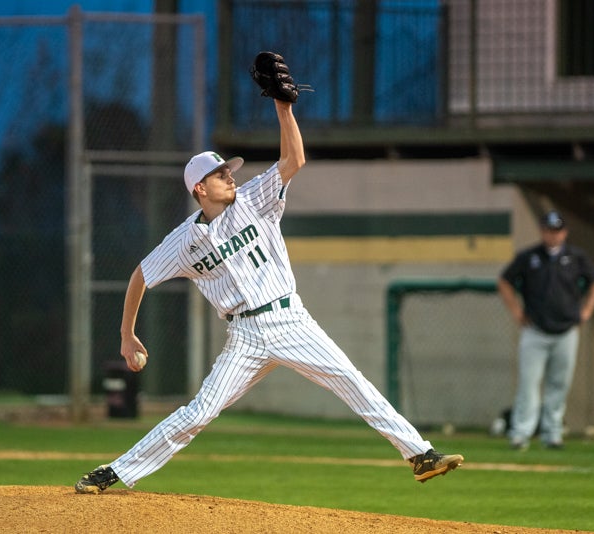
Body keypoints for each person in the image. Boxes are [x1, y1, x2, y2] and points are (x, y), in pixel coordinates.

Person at [74, 86, 463, 495]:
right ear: (199, 190)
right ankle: (115, 471)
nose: (230, 175)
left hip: (290, 319)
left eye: (229, 170)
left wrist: (284, 108)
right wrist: (126, 333)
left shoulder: (252, 199)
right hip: (244, 336)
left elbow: (294, 159)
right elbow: (140, 274)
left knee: (351, 380)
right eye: (220, 173)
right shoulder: (184, 240)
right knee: (199, 412)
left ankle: (420, 455)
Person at [497, 211, 594, 450]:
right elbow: (504, 281)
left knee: (559, 384)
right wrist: (516, 311)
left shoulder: (576, 257)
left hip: (565, 330)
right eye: (548, 230)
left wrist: (586, 311)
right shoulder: (529, 257)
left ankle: (552, 434)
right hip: (535, 330)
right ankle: (520, 434)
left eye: (556, 231)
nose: (552, 235)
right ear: (542, 231)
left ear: (564, 233)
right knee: (528, 384)